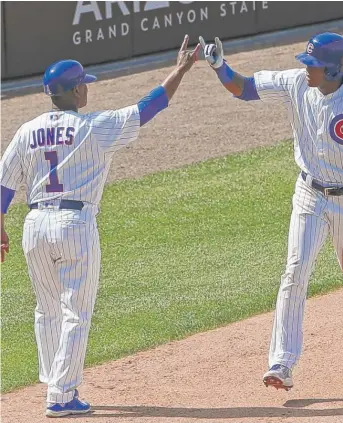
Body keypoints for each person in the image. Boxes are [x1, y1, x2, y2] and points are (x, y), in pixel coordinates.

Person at [0, 35, 200, 417]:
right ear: (76, 90)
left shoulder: (27, 131)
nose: (87, 89)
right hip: (75, 224)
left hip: (35, 225)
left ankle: (53, 378)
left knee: (47, 309)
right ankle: (61, 395)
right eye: (84, 85)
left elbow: (3, 186)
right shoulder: (95, 127)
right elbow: (150, 106)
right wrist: (180, 69)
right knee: (76, 311)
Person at [198, 33, 343, 391]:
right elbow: (245, 89)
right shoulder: (295, 83)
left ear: (331, 69)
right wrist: (220, 66)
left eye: (311, 65)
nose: (305, 69)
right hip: (309, 192)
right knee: (295, 271)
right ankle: (282, 362)